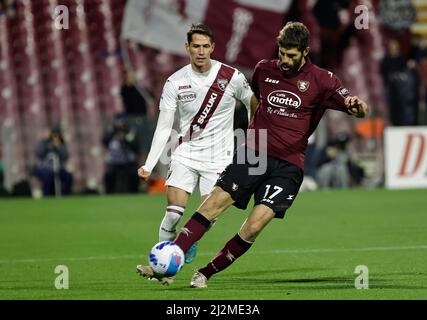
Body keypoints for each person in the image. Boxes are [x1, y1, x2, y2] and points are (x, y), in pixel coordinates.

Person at [136, 21, 368, 287]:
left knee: (254, 226)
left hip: (289, 165)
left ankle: (205, 272)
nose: (284, 60)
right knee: (212, 205)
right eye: (282, 52)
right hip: (253, 154)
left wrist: (356, 106)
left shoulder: (323, 80)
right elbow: (252, 102)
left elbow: (355, 107)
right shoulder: (264, 70)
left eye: (291, 55)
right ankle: (168, 263)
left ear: (305, 52)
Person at [136, 23, 256, 272]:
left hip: (219, 159)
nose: (200, 51)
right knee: (173, 214)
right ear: (187, 47)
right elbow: (163, 126)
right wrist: (149, 164)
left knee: (207, 217)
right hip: (185, 154)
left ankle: (186, 242)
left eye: (205, 46)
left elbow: (253, 104)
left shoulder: (231, 77)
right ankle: (163, 268)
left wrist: (254, 140)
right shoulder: (175, 82)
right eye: (195, 46)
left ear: (212, 47)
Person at [103, 114, 140, 194]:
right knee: (109, 174)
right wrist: (115, 131)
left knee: (133, 174)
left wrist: (125, 138)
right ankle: (109, 193)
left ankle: (134, 192)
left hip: (128, 160)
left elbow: (135, 145)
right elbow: (105, 141)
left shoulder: (130, 131)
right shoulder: (111, 130)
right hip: (114, 160)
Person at [32, 126, 73, 196]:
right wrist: (46, 144)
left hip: (58, 168)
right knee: (47, 178)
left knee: (68, 177)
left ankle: (66, 195)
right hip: (45, 168)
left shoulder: (61, 144)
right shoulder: (43, 143)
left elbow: (65, 157)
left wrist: (58, 147)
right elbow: (39, 153)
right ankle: (47, 196)